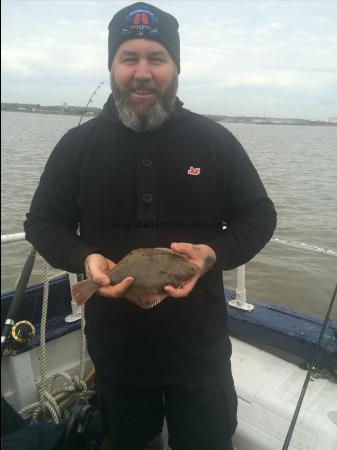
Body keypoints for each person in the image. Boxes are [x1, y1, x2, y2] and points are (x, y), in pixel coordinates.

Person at [24, 2, 277, 449]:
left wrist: (211, 255)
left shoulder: (216, 141)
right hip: (116, 356)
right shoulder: (76, 146)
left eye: (156, 58)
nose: (143, 72)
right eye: (129, 58)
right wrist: (85, 258)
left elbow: (259, 217)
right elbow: (42, 223)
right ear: (111, 66)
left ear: (176, 67)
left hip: (201, 355)